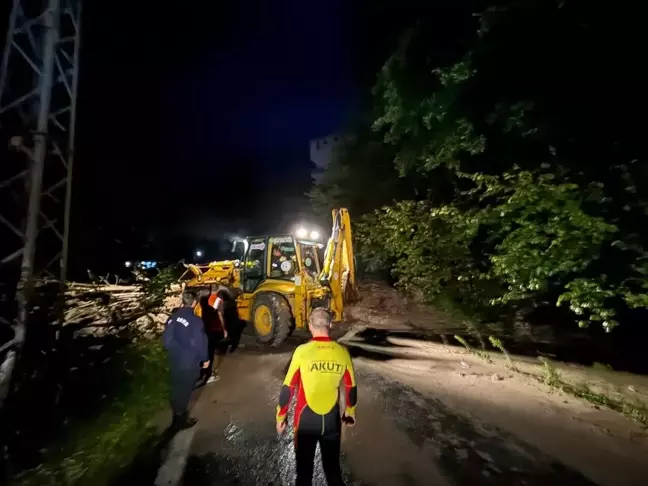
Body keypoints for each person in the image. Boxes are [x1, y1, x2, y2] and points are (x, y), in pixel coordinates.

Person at [275, 308, 357, 486]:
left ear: (310, 326)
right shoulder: (342, 352)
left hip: (305, 421)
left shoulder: (302, 351)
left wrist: (281, 416)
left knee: (304, 474)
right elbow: (351, 388)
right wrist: (349, 413)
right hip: (331, 421)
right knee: (333, 472)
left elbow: (287, 388)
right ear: (330, 325)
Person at [162, 289, 209, 429]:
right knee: (185, 389)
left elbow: (166, 339)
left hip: (174, 359)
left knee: (176, 387)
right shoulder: (195, 321)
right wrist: (205, 359)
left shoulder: (172, 318)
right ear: (194, 303)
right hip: (189, 362)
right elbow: (200, 342)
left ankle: (176, 415)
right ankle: (180, 420)